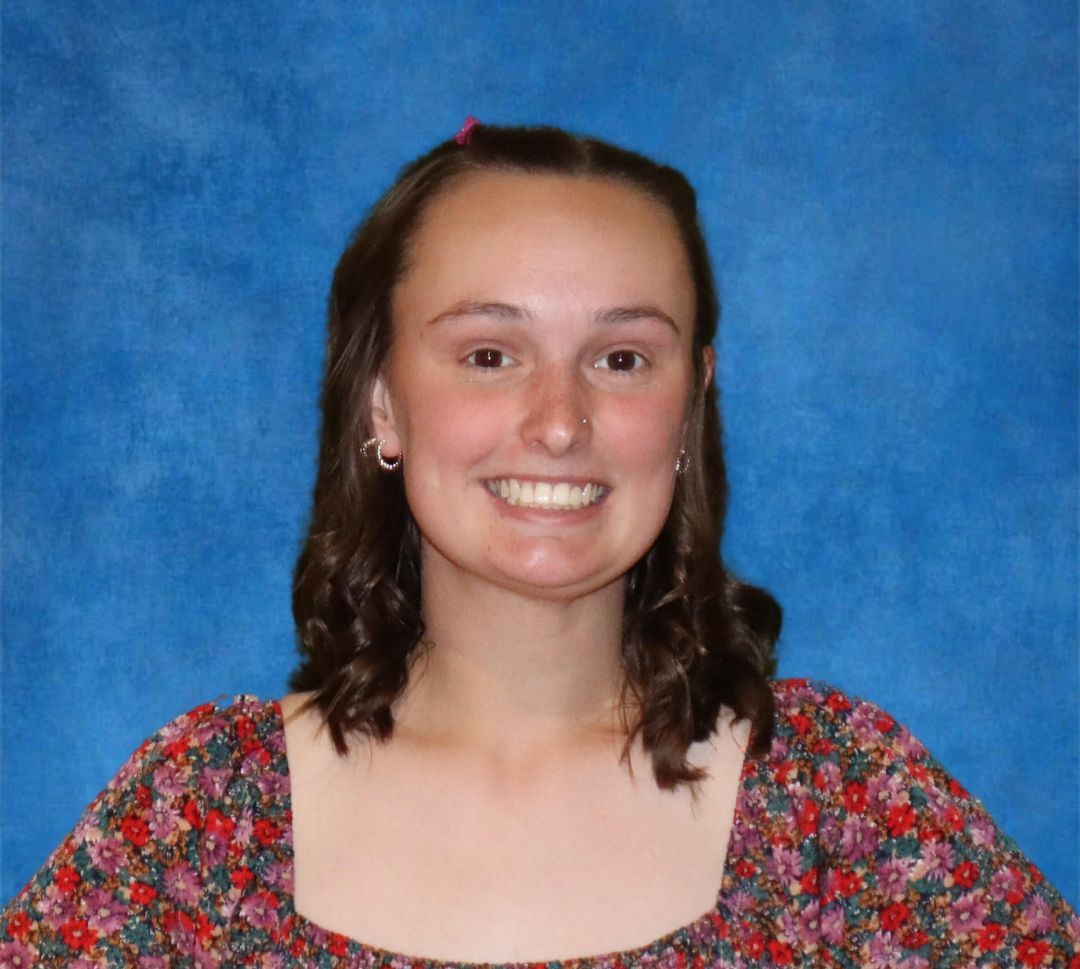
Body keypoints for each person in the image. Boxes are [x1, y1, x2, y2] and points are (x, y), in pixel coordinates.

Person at [2, 119, 1076, 968]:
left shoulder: (843, 810)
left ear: (692, 406)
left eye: (621, 359)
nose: (560, 423)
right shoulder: (203, 818)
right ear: (381, 400)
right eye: (488, 354)